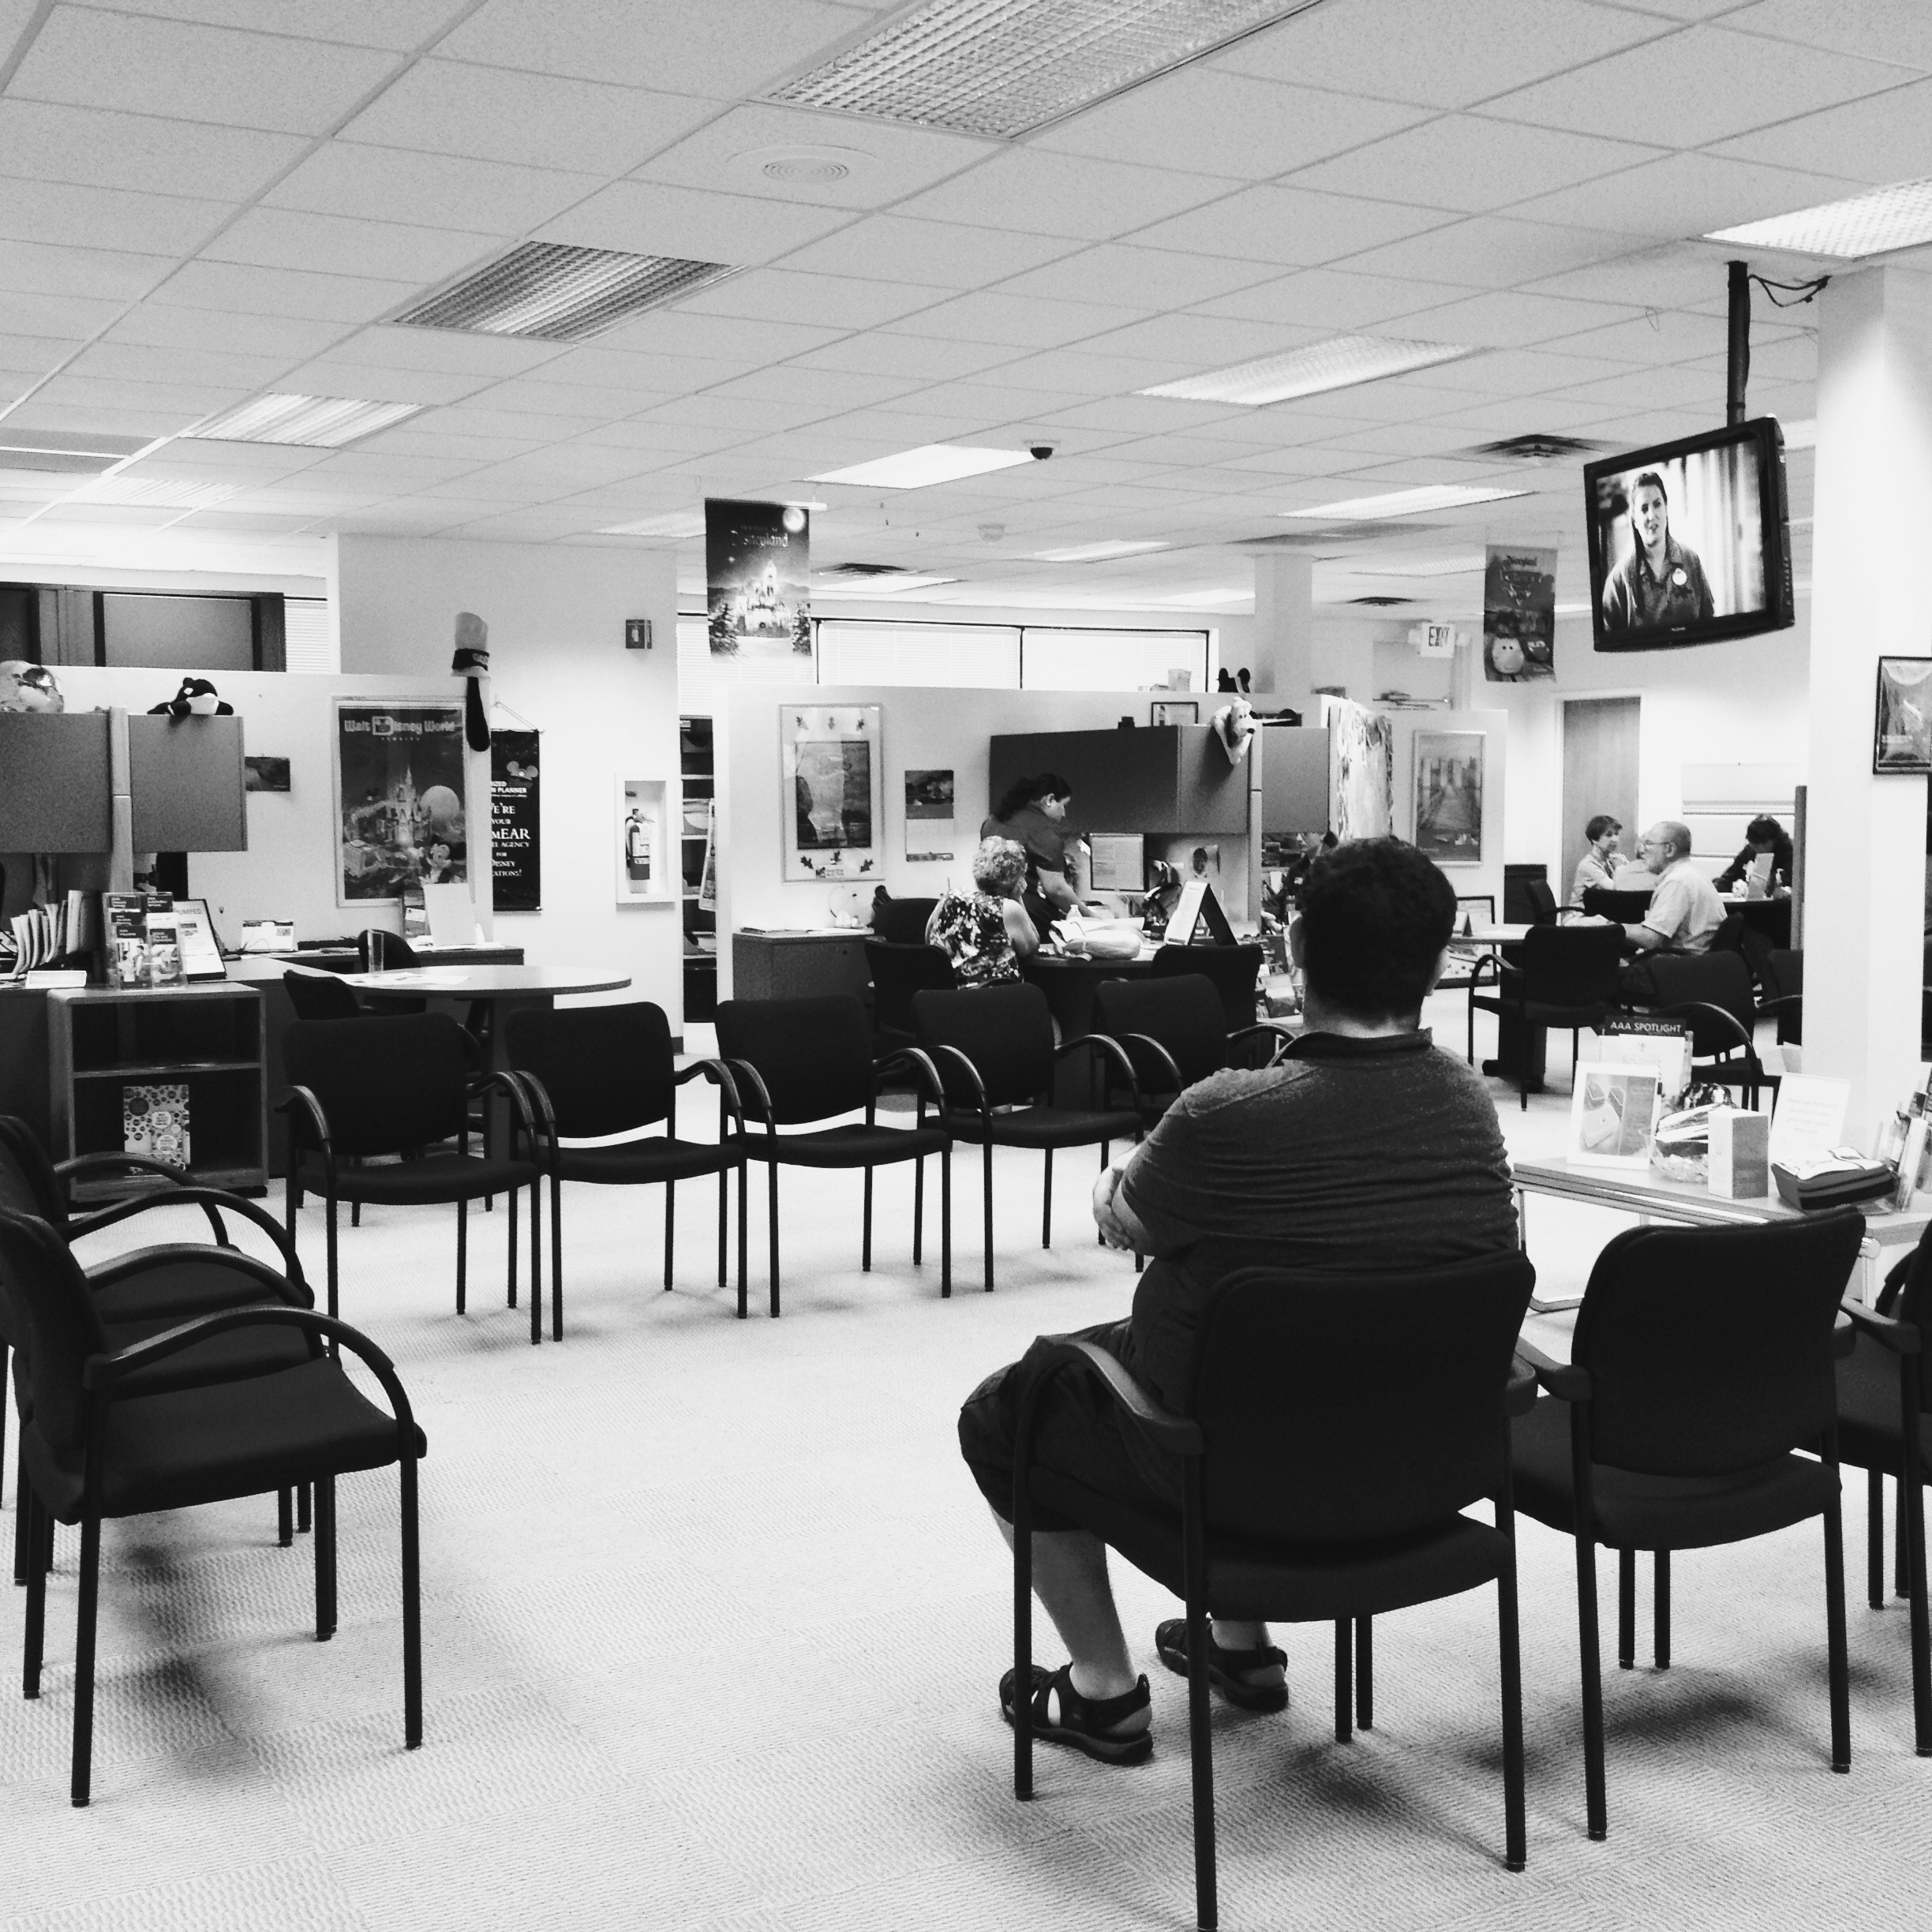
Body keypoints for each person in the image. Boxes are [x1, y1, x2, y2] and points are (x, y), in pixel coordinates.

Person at [957, 838, 1518, 1762]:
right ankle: (1238, 1645)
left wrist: (1110, 1188)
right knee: (1280, 1331)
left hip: (1229, 1470)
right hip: (1412, 1460)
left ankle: (1103, 1694)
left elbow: (1129, 1220)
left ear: (1294, 952)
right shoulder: (1469, 1102)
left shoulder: (1224, 1112)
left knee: (1006, 1411)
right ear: (1435, 965)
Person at [1616, 821, 1724, 1000]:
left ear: (1670, 850)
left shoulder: (1678, 883)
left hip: (1674, 972)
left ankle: (1615, 1019)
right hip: (1692, 967)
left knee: (1597, 974)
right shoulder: (1691, 875)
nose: (1642, 850)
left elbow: (1651, 939)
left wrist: (1605, 926)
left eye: (1649, 844)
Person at [1600, 470, 1715, 632]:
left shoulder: (1691, 560)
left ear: (1666, 509)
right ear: (1634, 519)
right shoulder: (1618, 580)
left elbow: (1709, 624)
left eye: (1657, 504)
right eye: (1644, 509)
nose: (1651, 515)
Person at [927, 837, 1039, 988]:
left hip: (947, 995)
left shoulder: (949, 898)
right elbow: (1031, 948)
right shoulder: (1008, 909)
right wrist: (1017, 896)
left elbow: (929, 941)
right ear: (1015, 876)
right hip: (996, 996)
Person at [983, 773, 1081, 922]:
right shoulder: (1044, 833)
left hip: (990, 912)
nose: (1064, 814)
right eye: (1064, 806)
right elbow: (1056, 889)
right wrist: (1090, 916)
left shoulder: (991, 822)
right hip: (1030, 915)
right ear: (1050, 800)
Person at [1713, 814, 1794, 895]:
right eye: (1754, 846)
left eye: (1759, 845)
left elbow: (1794, 885)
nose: (1758, 850)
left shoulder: (1791, 854)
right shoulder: (1750, 851)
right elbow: (1728, 879)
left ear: (1772, 840)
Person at [1570, 814, 1623, 904]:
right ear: (1595, 839)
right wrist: (1620, 868)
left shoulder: (1611, 860)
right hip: (1582, 912)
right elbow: (1616, 890)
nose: (1615, 839)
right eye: (1609, 835)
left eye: (1616, 834)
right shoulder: (1588, 865)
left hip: (1601, 910)